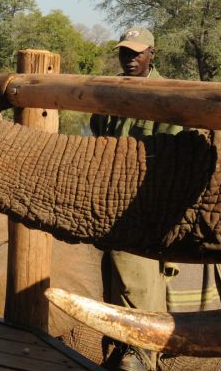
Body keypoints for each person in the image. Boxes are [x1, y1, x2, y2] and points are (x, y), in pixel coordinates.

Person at [89, 26, 182, 371]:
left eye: (138, 53)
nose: (130, 59)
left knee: (129, 254)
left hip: (151, 197)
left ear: (152, 54)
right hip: (109, 191)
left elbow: (174, 152)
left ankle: (141, 347)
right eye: (125, 53)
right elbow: (97, 135)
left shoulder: (168, 94)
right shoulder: (111, 92)